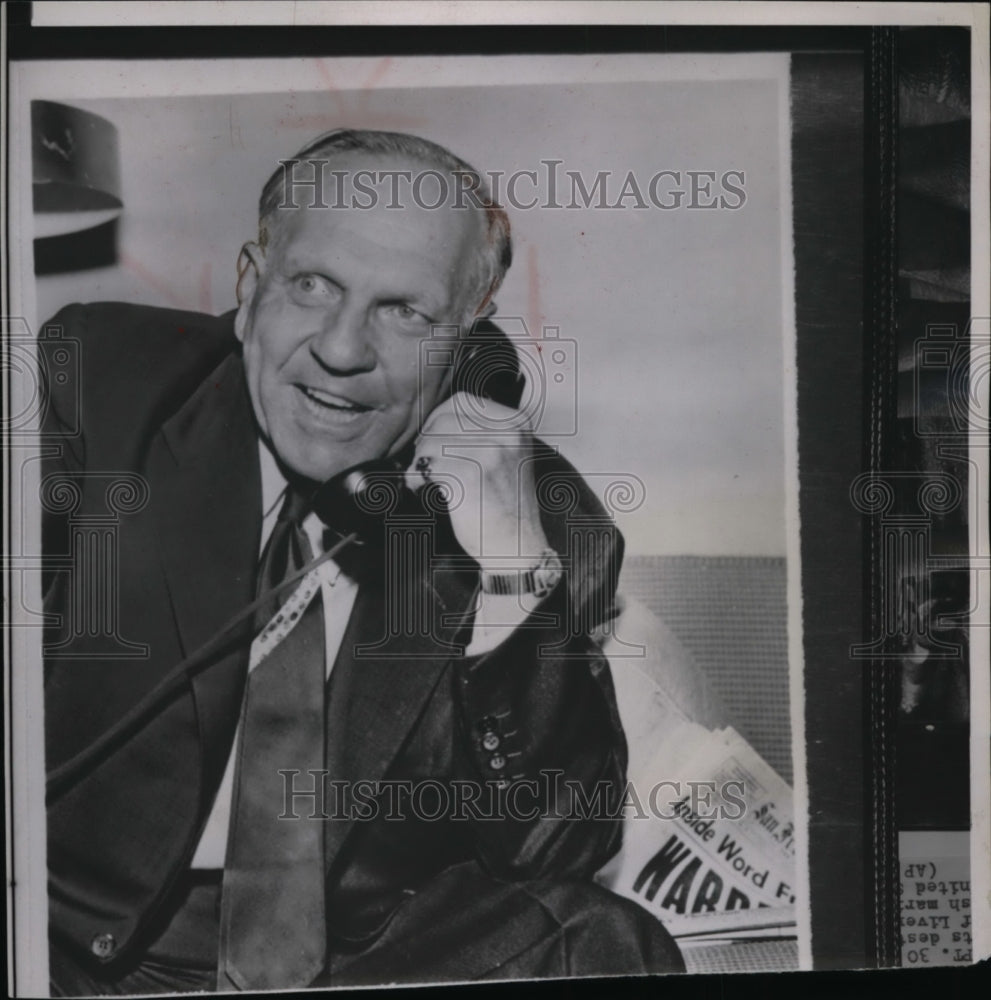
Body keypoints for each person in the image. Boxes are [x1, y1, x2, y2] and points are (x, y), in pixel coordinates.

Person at [41, 128, 684, 994]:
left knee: (607, 941)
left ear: (466, 343)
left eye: (406, 311)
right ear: (249, 287)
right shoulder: (101, 389)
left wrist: (507, 576)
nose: (343, 350)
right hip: (78, 939)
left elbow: (560, 847)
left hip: (366, 950)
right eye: (313, 286)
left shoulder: (543, 520)